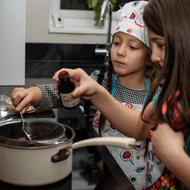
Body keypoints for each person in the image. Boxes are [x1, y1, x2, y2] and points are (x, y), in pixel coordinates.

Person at [51, 0, 190, 189]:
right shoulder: (171, 91)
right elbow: (139, 127)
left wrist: (174, 156)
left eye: (161, 45)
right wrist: (96, 91)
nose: (155, 56)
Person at [91, 1, 155, 189]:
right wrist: (35, 93)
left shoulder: (155, 94)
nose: (120, 51)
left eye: (133, 47)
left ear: (150, 54)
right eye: (116, 43)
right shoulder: (103, 80)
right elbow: (61, 94)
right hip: (106, 179)